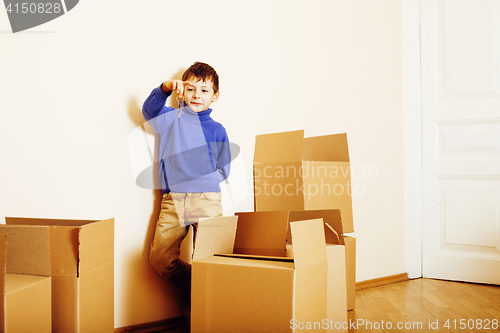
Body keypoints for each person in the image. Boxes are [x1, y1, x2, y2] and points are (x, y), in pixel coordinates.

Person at [142, 62, 231, 291]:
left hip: (208, 199)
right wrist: (165, 87)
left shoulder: (218, 129)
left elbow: (224, 167)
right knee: (160, 259)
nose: (196, 96)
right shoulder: (171, 118)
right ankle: (195, 285)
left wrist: (206, 181)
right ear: (182, 91)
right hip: (174, 200)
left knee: (211, 259)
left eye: (204, 90)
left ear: (215, 96)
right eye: (190, 89)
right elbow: (149, 111)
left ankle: (205, 310)